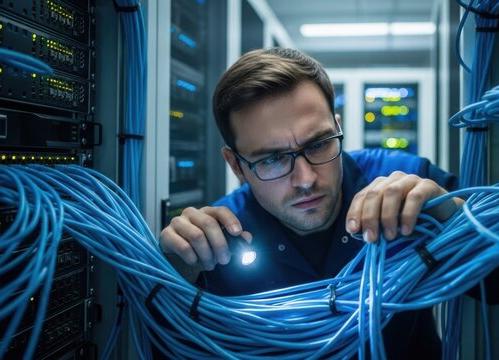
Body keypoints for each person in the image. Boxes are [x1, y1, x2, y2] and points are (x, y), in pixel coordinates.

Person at [159, 47, 464, 358]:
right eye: (273, 159)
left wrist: (454, 218)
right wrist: (173, 284)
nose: (305, 179)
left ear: (337, 127)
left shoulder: (407, 181)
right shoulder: (218, 245)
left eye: (318, 144)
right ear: (236, 165)